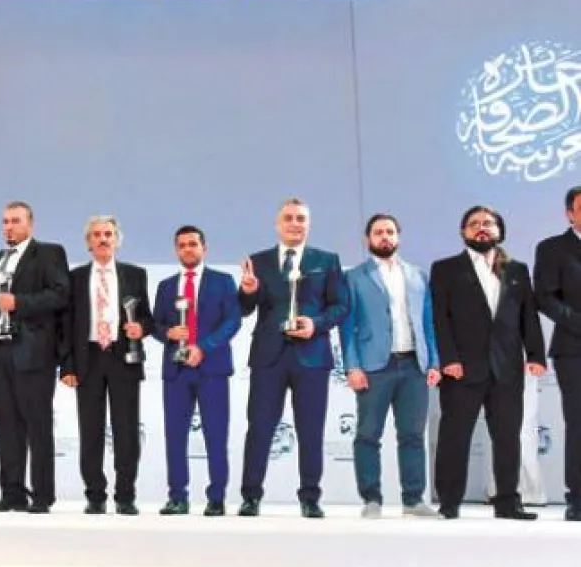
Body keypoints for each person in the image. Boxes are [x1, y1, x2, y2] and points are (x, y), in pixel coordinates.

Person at [430, 205, 544, 520]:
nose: (482, 228)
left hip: (507, 368)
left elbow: (528, 316)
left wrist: (535, 355)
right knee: (455, 435)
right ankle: (449, 503)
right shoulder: (445, 269)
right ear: (463, 232)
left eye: (488, 223)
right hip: (461, 369)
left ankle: (508, 502)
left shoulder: (517, 270)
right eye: (474, 224)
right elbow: (440, 319)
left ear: (499, 231)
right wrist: (448, 359)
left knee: (508, 436)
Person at [237, 198, 347, 519]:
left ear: (308, 224)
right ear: (277, 224)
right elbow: (245, 308)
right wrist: (247, 290)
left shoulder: (326, 261)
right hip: (269, 358)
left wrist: (315, 324)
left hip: (312, 358)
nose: (295, 223)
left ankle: (310, 498)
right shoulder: (257, 262)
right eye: (289, 218)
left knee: (311, 430)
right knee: (259, 429)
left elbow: (340, 306)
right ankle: (251, 497)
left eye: (301, 218)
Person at [341, 214, 441, 518]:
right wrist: (352, 366)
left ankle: (413, 500)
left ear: (398, 236)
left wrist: (434, 361)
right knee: (368, 434)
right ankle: (371, 499)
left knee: (412, 435)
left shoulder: (418, 275)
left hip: (413, 365)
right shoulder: (355, 277)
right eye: (378, 232)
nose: (385, 236)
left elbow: (428, 323)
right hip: (374, 366)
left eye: (390, 231)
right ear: (367, 239)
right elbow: (347, 327)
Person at [0, 202, 69, 515]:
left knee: (37, 425)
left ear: (30, 223)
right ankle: (12, 493)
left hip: (33, 352)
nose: (9, 227)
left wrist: (19, 302)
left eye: (15, 221)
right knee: (6, 427)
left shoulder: (49, 253)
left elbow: (60, 295)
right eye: (4, 221)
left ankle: (42, 495)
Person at [61, 215, 152, 515]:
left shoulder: (135, 275)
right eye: (97, 235)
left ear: (117, 240)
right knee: (91, 431)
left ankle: (125, 495)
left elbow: (147, 318)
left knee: (126, 431)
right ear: (88, 242)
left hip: (122, 357)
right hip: (88, 358)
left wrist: (142, 328)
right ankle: (95, 495)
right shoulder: (74, 278)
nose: (102, 239)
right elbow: (67, 325)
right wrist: (68, 366)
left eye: (108, 234)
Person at [151, 226, 240, 516]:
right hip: (176, 371)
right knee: (174, 436)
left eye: (193, 244)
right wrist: (169, 333)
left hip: (211, 368)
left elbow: (232, 322)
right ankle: (177, 496)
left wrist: (204, 346)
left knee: (216, 435)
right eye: (182, 245)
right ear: (176, 250)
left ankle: (217, 497)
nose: (187, 249)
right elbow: (156, 325)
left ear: (204, 248)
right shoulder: (166, 286)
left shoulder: (223, 281)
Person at [531, 185, 581, 522]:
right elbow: (545, 297)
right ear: (570, 213)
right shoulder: (552, 249)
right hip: (574, 349)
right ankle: (577, 498)